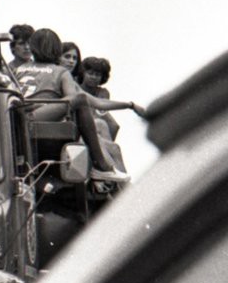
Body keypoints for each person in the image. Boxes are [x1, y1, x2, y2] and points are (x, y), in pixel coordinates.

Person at [14, 29, 145, 182]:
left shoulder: (19, 69)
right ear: (56, 49)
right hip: (34, 117)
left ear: (33, 47)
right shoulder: (60, 72)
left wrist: (128, 105)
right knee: (80, 99)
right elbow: (92, 102)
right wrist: (131, 105)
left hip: (15, 116)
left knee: (79, 99)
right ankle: (100, 165)